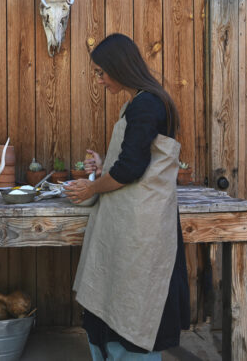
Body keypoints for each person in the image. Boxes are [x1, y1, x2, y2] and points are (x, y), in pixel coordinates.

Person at [64, 33, 190, 360]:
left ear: (119, 67)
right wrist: (103, 164)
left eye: (101, 72)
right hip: (131, 222)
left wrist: (91, 186)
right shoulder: (138, 101)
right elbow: (135, 160)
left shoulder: (146, 104)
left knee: (135, 304)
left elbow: (131, 169)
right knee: (118, 297)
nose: (100, 79)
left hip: (141, 227)